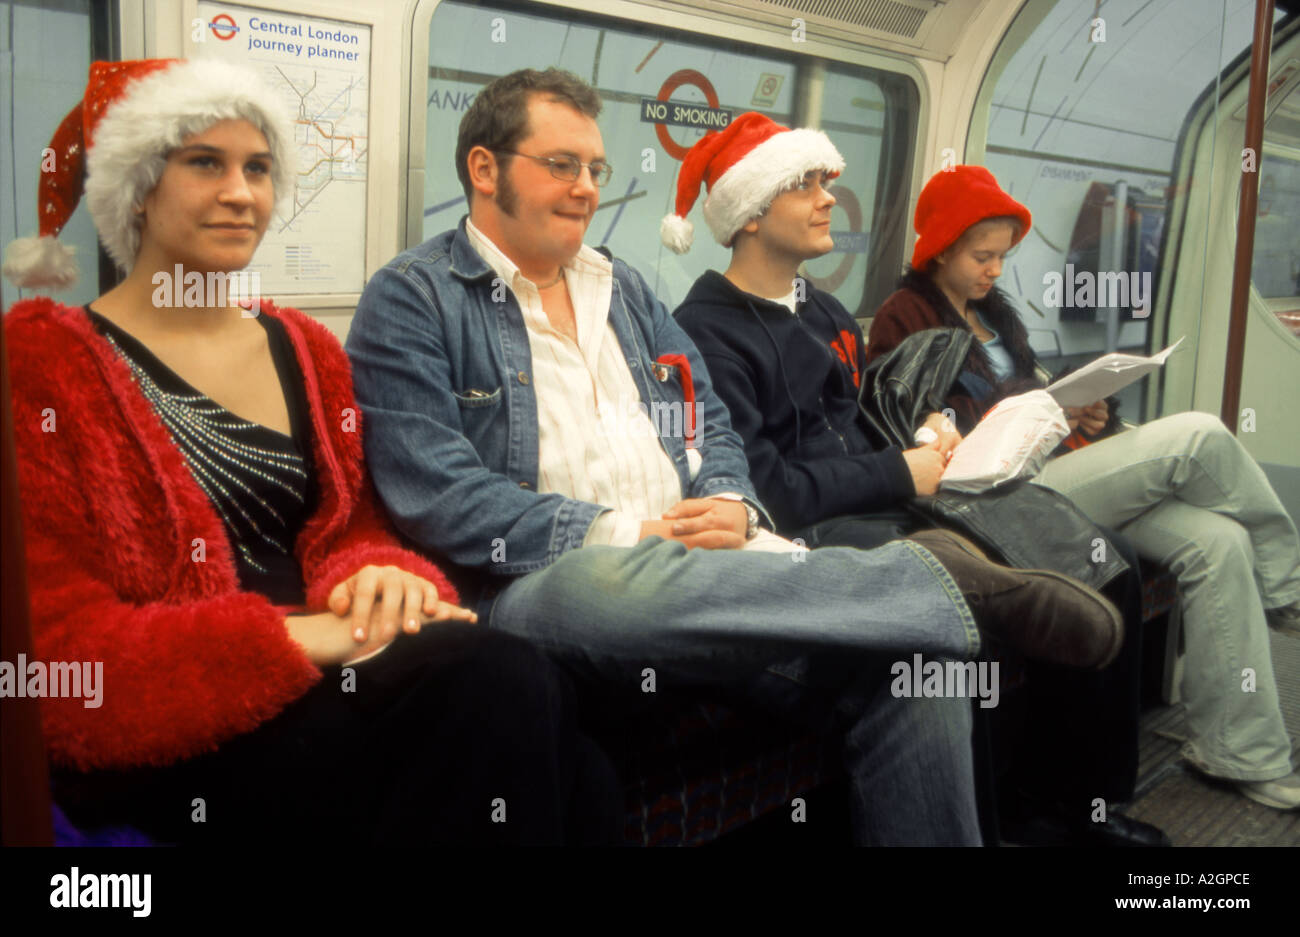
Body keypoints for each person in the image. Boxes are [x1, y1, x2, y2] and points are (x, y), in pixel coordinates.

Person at [344, 67, 1131, 846]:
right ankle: (939, 583)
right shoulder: (414, 297)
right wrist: (629, 533)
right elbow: (439, 492)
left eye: (596, 168)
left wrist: (730, 501)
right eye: (561, 165)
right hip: (544, 586)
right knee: (604, 580)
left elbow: (709, 419)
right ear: (484, 168)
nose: (586, 186)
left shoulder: (622, 289)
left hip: (715, 564)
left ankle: (925, 604)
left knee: (907, 661)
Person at [2, 58, 621, 845]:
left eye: (258, 168)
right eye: (205, 163)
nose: (241, 193)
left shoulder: (305, 346)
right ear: (139, 182)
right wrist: (289, 639)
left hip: (327, 667)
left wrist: (378, 577)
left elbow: (351, 529)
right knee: (496, 686)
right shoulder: (42, 362)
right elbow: (55, 647)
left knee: (577, 749)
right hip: (181, 720)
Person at [666, 112, 1167, 846]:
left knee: (1094, 553)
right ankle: (1002, 808)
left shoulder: (827, 309)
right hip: (814, 532)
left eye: (826, 181)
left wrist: (925, 429)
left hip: (892, 494)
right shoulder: (707, 330)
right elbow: (768, 491)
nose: (829, 196)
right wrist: (898, 467)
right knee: (956, 633)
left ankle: (1069, 805)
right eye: (803, 184)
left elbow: (867, 411)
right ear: (748, 215)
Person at [866, 164, 1300, 811]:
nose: (994, 271)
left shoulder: (994, 314)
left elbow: (1028, 396)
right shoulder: (905, 317)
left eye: (1002, 257)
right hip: (1000, 495)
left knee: (1221, 538)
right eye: (982, 256)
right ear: (941, 249)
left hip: (1055, 464)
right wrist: (1041, 413)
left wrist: (1083, 411)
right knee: (1199, 436)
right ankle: (1290, 590)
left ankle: (1241, 748)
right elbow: (923, 429)